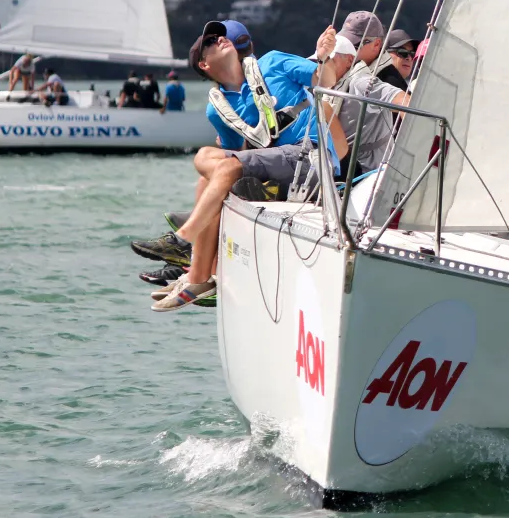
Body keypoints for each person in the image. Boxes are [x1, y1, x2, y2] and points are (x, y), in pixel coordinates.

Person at [135, 20, 352, 311]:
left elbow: (325, 81)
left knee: (220, 173)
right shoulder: (218, 107)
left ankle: (185, 243)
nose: (219, 41)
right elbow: (235, 152)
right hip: (279, 165)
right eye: (210, 42)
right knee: (205, 159)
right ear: (205, 66)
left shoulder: (273, 62)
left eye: (220, 37)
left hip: (309, 158)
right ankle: (198, 274)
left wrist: (323, 55)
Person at [327, 11, 411, 178]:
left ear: (376, 45)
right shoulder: (348, 69)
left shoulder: (386, 79)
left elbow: (408, 106)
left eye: (356, 45)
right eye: (345, 42)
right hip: (340, 156)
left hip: (366, 169)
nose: (349, 50)